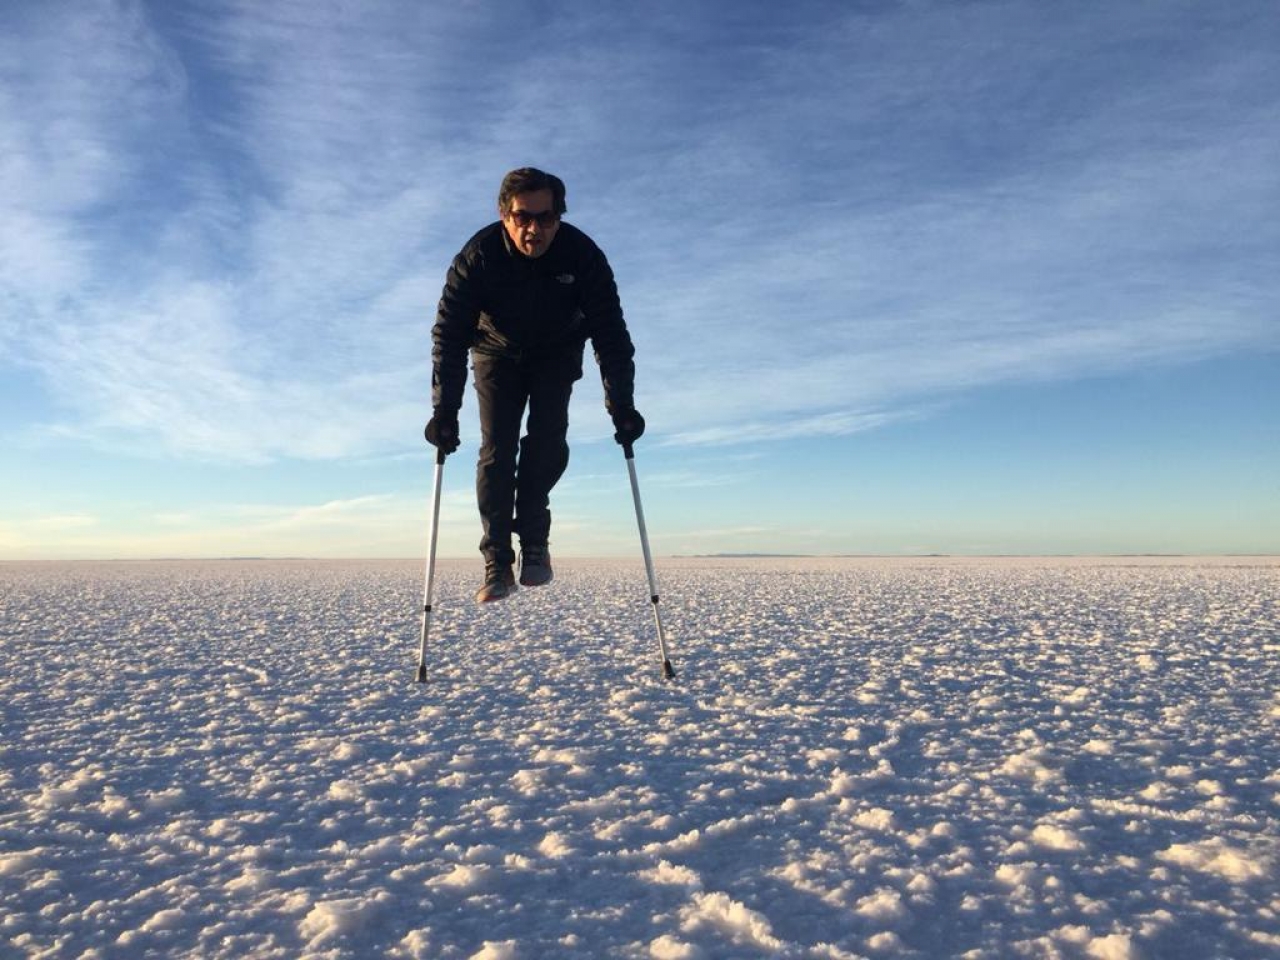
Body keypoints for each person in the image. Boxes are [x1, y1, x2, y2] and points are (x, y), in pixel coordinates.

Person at [426, 168, 646, 603]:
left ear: (559, 216)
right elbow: (449, 334)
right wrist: (445, 411)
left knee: (547, 442)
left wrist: (621, 403)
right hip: (494, 352)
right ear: (504, 215)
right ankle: (498, 562)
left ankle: (535, 543)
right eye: (523, 217)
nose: (534, 229)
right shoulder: (479, 257)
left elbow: (610, 333)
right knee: (498, 449)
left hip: (556, 352)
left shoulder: (583, 256)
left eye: (546, 218)